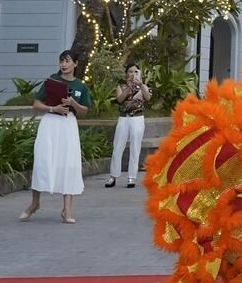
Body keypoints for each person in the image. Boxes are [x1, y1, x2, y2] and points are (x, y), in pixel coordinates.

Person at [21, 51, 90, 224]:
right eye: (61, 61)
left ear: (75, 63)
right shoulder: (52, 80)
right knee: (43, 161)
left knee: (69, 163)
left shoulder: (81, 86)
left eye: (67, 61)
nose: (64, 64)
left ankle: (67, 209)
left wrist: (73, 103)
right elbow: (36, 103)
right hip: (50, 123)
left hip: (68, 125)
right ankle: (34, 203)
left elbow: (85, 110)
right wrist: (53, 109)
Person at [105, 62, 150, 189]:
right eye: (130, 71)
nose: (132, 74)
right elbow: (119, 99)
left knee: (135, 148)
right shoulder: (121, 86)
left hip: (137, 118)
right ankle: (113, 176)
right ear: (126, 73)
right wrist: (129, 87)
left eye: (135, 71)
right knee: (117, 147)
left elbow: (147, 97)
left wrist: (140, 84)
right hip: (124, 118)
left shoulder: (143, 86)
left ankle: (132, 177)